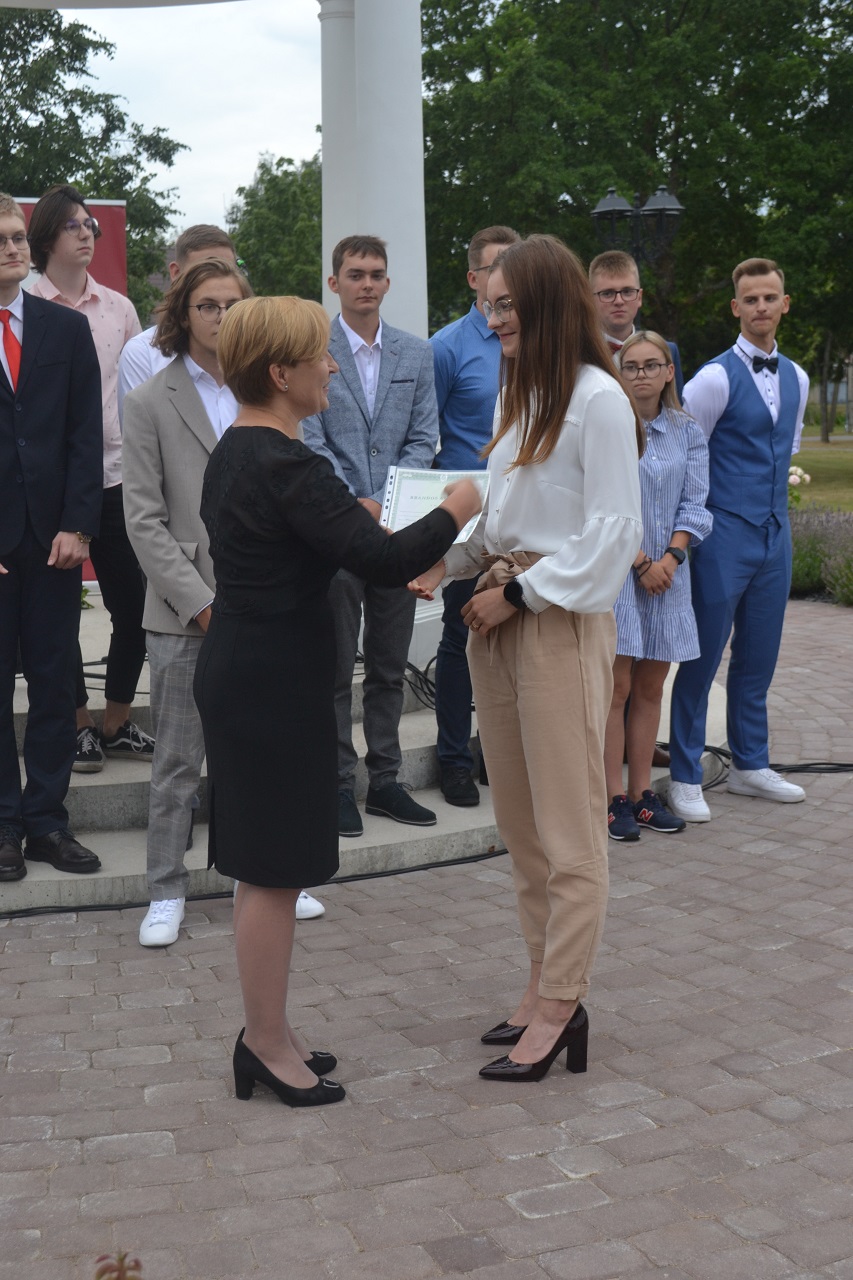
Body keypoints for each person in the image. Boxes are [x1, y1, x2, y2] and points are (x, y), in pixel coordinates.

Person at [193, 295, 481, 1106]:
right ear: (280, 374)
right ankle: (263, 1043)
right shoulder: (288, 465)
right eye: (317, 356)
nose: (330, 366)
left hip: (254, 672)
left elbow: (319, 539)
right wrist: (458, 507)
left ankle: (270, 1031)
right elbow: (383, 561)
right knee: (271, 869)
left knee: (269, 867)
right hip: (269, 684)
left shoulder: (242, 448)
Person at [411, 235, 643, 1082]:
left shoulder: (597, 399)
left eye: (506, 305)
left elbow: (613, 533)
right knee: (518, 823)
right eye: (488, 304)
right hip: (500, 617)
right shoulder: (523, 394)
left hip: (554, 622)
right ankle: (542, 979)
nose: (493, 318)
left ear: (543, 302)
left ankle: (561, 1002)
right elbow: (503, 517)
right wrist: (447, 561)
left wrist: (518, 595)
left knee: (569, 824)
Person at [122, 259, 253, 945]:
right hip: (183, 613)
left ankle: (257, 878)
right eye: (208, 305)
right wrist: (201, 604)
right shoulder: (150, 400)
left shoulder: (265, 388)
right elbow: (143, 521)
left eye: (233, 304)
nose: (222, 317)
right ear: (183, 313)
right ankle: (165, 890)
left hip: (259, 604)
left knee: (253, 754)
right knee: (177, 761)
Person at [302, 235, 440, 838]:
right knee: (334, 666)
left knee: (389, 664)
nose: (367, 283)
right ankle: (336, 783)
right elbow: (310, 437)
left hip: (399, 532)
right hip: (337, 534)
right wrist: (354, 502)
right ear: (334, 282)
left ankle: (385, 780)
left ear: (387, 282)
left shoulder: (417, 353)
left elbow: (423, 437)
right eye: (355, 274)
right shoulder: (314, 351)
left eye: (376, 274)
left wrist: (393, 501)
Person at [668, 258, 809, 822]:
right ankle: (684, 775)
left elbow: (784, 450)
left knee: (758, 657)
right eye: (750, 299)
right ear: (735, 307)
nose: (761, 307)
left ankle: (751, 765)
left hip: (775, 533)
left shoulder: (798, 377)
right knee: (701, 659)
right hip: (722, 533)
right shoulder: (712, 379)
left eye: (770, 297)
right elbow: (685, 455)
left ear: (784, 304)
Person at [27, 184, 151, 774]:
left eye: (90, 226)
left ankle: (117, 721)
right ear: (46, 236)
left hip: (120, 477)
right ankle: (78, 725)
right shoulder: (25, 304)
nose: (85, 234)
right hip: (52, 486)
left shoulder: (119, 308)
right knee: (61, 613)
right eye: (72, 225)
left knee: (138, 607)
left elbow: (139, 394)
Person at [0, 192, 103, 881]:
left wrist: (78, 524)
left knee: (53, 688)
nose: (13, 247)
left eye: (17, 236)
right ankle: (4, 826)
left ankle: (46, 821)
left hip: (54, 544)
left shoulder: (65, 329)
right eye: (0, 239)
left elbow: (84, 435)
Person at [603, 331, 712, 841]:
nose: (641, 374)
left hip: (669, 575)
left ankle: (644, 794)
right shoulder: (609, 427)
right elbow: (601, 503)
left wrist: (669, 558)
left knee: (650, 687)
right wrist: (642, 561)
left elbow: (695, 502)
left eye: (652, 365)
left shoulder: (687, 430)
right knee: (616, 687)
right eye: (632, 366)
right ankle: (612, 800)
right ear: (619, 373)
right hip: (619, 571)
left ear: (669, 372)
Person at [430, 224, 520, 807]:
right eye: (496, 267)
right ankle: (454, 759)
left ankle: (499, 753)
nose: (508, 277)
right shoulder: (447, 348)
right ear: (474, 278)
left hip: (524, 521)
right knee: (461, 636)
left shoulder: (533, 341)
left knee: (514, 637)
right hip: (469, 522)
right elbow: (427, 436)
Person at [117, 224, 240, 414]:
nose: (219, 280)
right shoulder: (143, 354)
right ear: (175, 273)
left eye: (228, 270)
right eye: (204, 271)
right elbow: (139, 427)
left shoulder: (257, 354)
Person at [589, 251, 684, 397]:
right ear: (590, 300)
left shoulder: (666, 351)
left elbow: (674, 407)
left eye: (627, 292)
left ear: (639, 297)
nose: (619, 301)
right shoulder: (574, 354)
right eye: (607, 293)